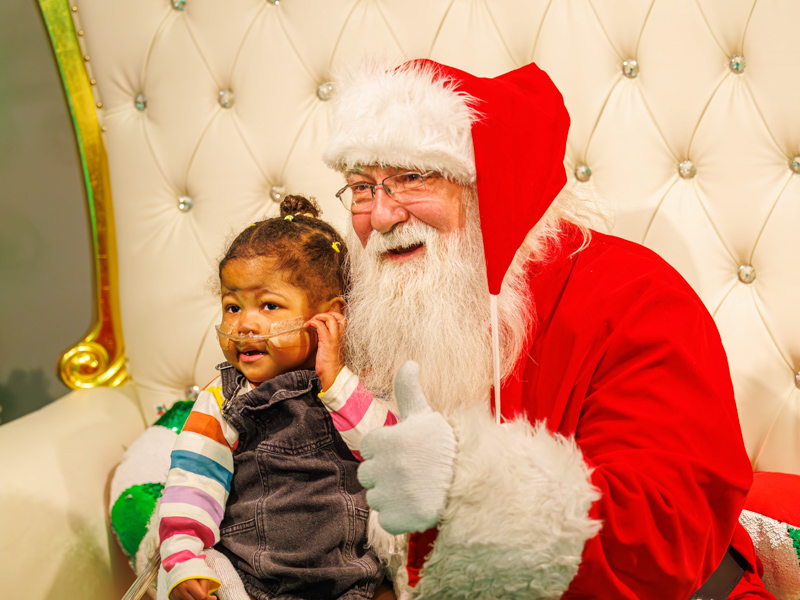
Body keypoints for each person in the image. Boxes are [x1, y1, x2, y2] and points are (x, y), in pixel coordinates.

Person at [316, 58, 776, 599]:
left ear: (485, 182)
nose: (383, 215)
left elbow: (667, 535)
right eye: (362, 189)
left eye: (412, 178)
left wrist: (465, 483)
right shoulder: (365, 314)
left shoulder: (636, 295)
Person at [156, 196, 396, 600]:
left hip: (352, 580)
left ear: (329, 317)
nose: (245, 324)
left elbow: (391, 453)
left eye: (269, 305)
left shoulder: (353, 385)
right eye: (232, 306)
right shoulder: (224, 399)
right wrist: (183, 557)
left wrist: (335, 382)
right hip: (250, 578)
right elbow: (192, 483)